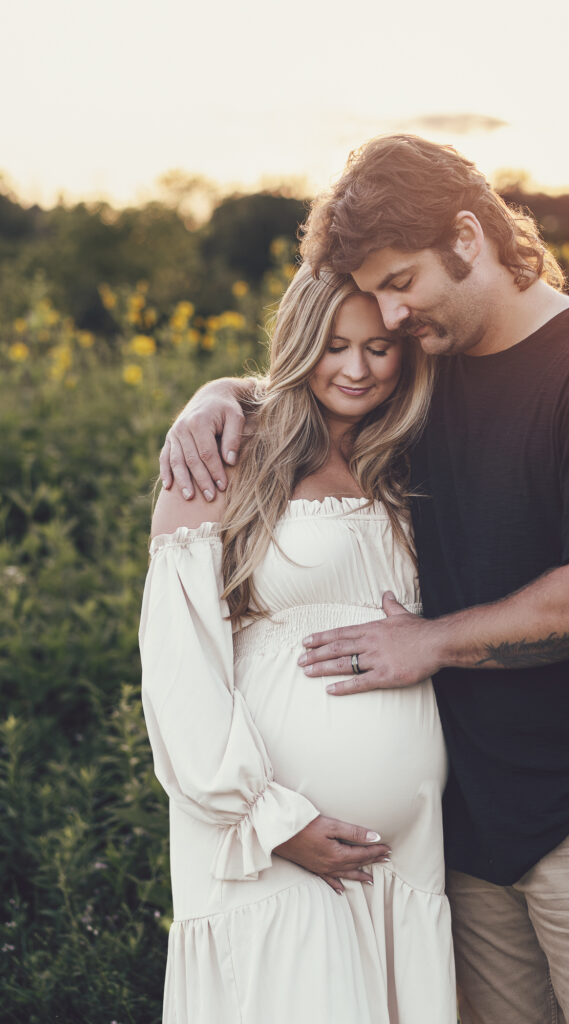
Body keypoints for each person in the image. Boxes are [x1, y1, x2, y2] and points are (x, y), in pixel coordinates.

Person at [160, 135, 569, 1024]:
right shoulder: (431, 372)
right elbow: (320, 380)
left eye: (400, 283)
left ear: (467, 237)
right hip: (469, 819)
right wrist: (219, 396)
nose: (389, 317)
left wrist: (425, 644)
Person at [140, 265, 457, 1023]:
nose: (356, 369)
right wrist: (274, 824)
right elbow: (180, 672)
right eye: (333, 345)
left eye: (378, 347)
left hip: (403, 862)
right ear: (299, 342)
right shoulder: (222, 457)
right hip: (266, 848)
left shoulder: (411, 461)